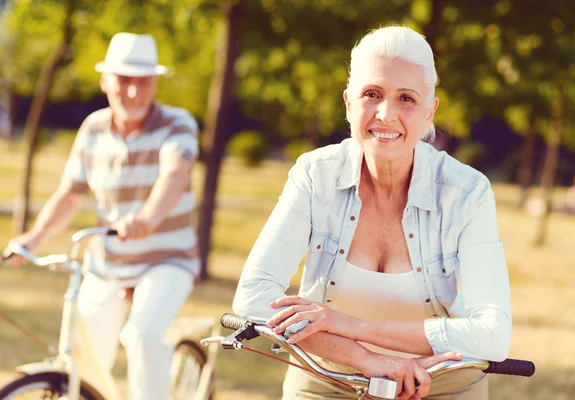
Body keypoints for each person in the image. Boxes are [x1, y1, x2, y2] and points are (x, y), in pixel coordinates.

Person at [233, 26, 511, 400]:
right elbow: (253, 295)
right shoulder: (315, 176)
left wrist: (348, 324)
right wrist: (363, 357)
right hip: (326, 377)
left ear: (430, 111)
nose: (386, 113)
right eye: (372, 94)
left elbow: (493, 336)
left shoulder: (467, 193)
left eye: (407, 99)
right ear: (349, 103)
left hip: (440, 383)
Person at [5, 33, 199, 400]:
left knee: (142, 334)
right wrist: (30, 241)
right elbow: (69, 194)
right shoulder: (93, 128)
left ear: (155, 83)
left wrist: (147, 219)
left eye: (142, 82)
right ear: (105, 81)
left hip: (167, 259)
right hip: (108, 262)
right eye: (123, 81)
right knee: (83, 353)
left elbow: (175, 175)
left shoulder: (178, 123)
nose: (132, 92)